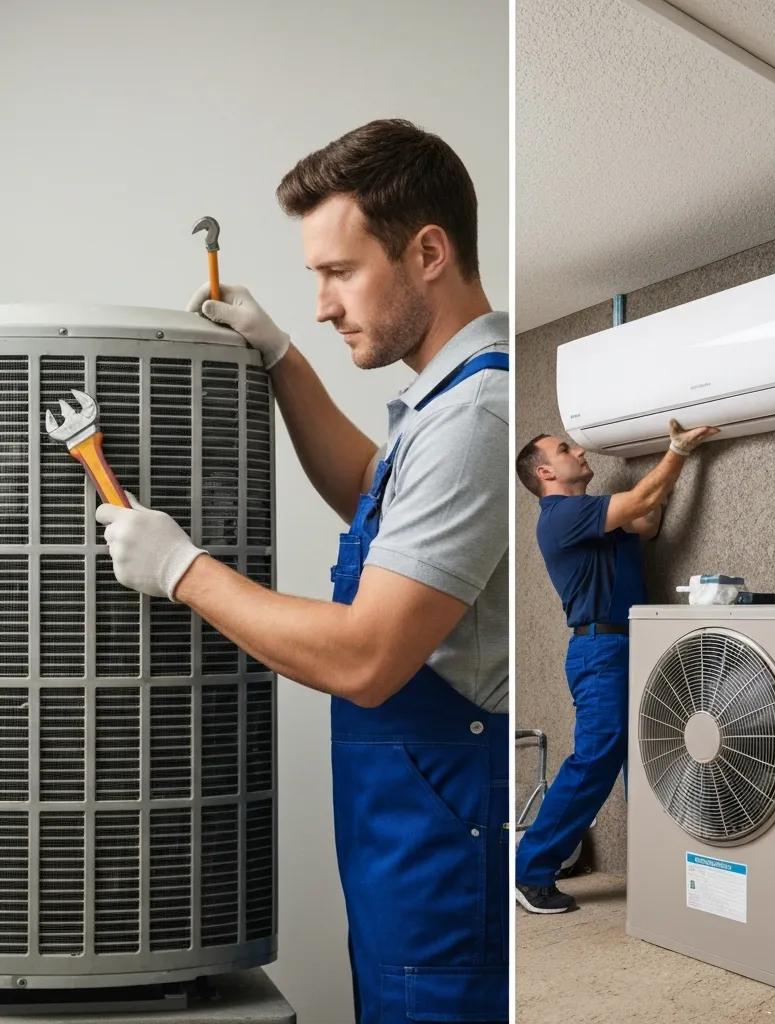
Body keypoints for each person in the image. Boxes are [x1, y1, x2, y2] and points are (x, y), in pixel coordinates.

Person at [97, 120, 509, 1023]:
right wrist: (282, 359)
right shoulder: (443, 404)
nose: (323, 304)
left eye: (339, 272)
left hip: (442, 864)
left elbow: (366, 657)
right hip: (408, 850)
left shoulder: (478, 414)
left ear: (428, 253)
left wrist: (181, 569)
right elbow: (372, 490)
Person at [512, 421, 716, 913]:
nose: (579, 452)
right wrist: (677, 451)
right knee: (596, 758)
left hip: (632, 643)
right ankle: (530, 871)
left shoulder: (594, 518)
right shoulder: (562, 516)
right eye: (565, 449)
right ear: (545, 473)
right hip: (600, 650)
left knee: (647, 758)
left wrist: (658, 471)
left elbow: (648, 520)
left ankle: (657, 864)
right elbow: (643, 501)